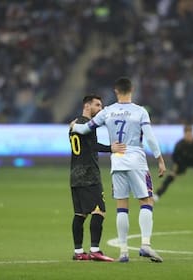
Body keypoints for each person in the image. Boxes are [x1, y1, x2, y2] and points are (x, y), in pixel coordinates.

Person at [70, 77, 166, 263]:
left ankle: (123, 251)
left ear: (115, 91)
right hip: (136, 159)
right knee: (146, 200)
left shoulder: (107, 112)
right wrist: (159, 159)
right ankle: (145, 245)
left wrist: (74, 125)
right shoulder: (140, 112)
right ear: (132, 90)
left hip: (118, 162)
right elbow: (150, 137)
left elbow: (83, 130)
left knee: (122, 206)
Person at [69, 95, 126, 261]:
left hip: (74, 174)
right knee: (99, 210)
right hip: (89, 175)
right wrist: (111, 148)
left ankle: (79, 252)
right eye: (97, 105)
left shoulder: (73, 125)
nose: (100, 108)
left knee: (80, 214)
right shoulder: (86, 125)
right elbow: (92, 146)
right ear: (87, 106)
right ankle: (95, 250)